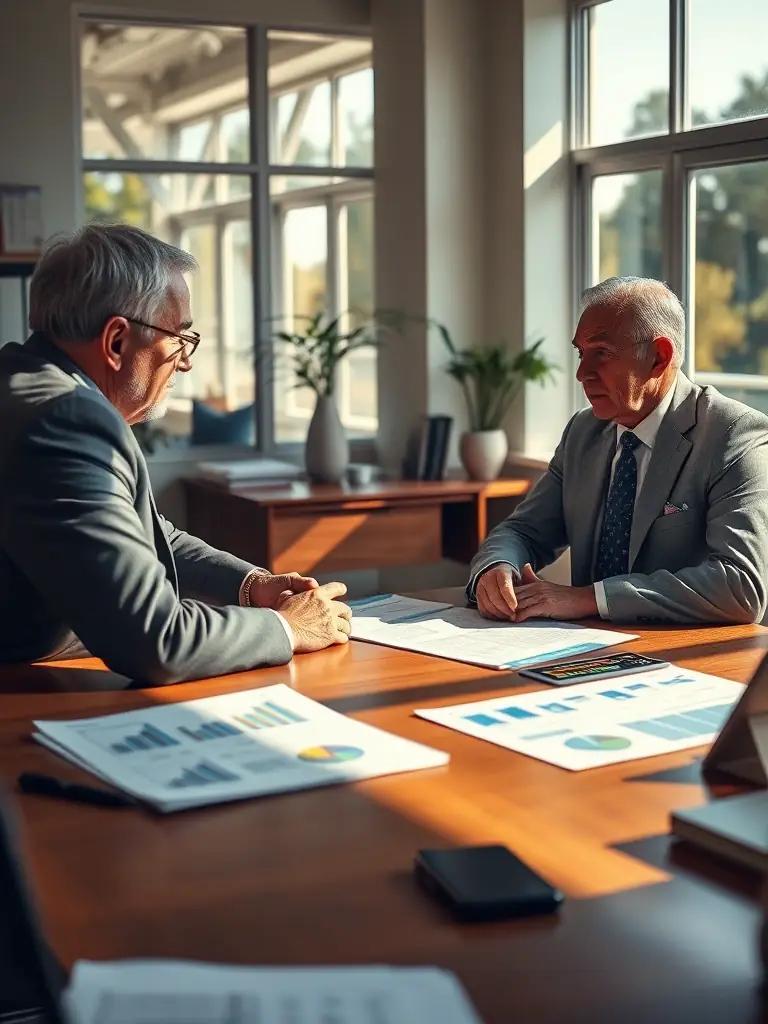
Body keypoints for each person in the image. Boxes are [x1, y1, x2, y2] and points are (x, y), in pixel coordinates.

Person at [0, 225, 352, 685]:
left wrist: (250, 586)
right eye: (179, 337)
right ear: (117, 342)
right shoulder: (66, 421)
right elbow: (156, 641)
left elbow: (142, 533)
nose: (186, 361)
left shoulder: (22, 377)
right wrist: (289, 627)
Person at [469, 276, 768, 626]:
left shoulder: (733, 433)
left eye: (601, 353)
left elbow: (741, 587)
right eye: (581, 353)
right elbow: (524, 532)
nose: (581, 373)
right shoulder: (583, 431)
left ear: (659, 357)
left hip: (686, 658)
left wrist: (589, 598)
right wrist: (496, 567)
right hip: (584, 650)